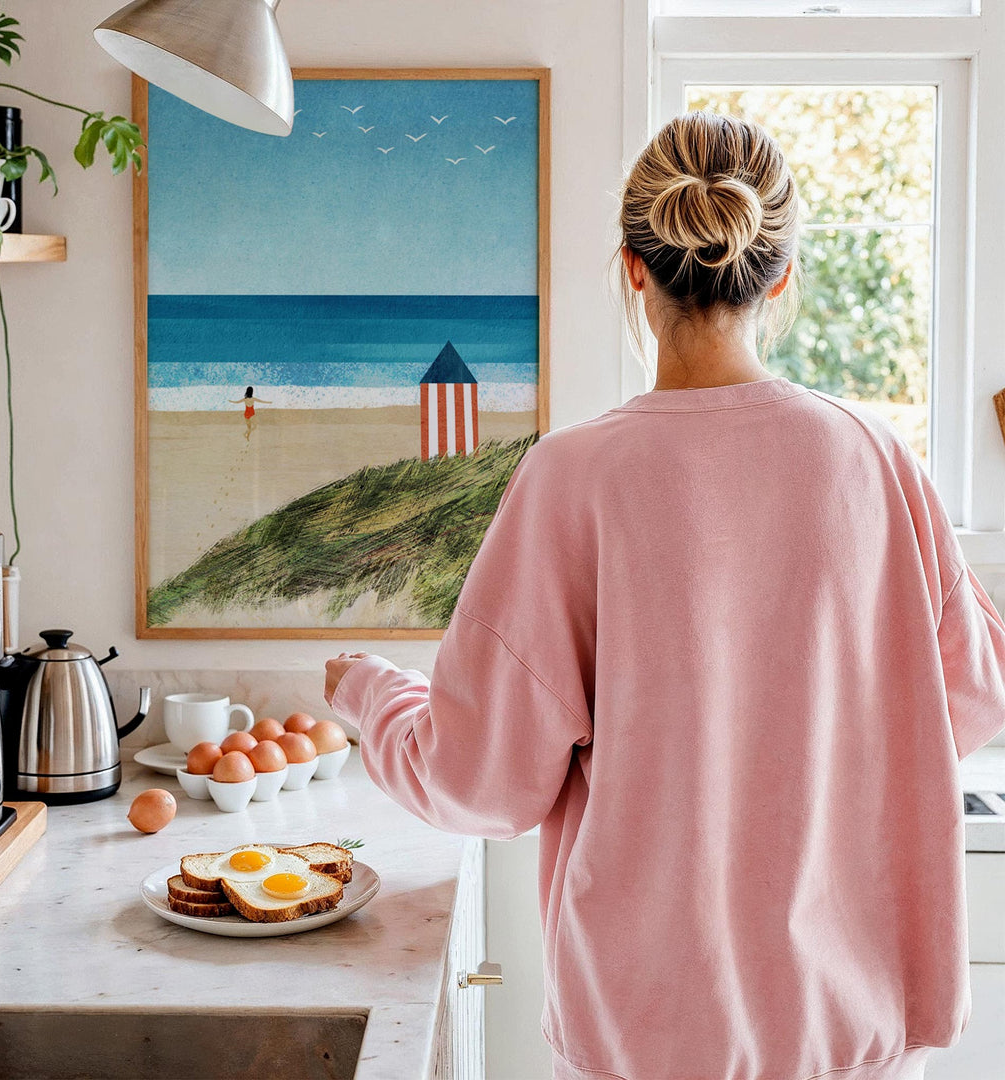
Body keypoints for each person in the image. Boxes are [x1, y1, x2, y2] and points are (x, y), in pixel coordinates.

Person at [323, 111, 1005, 1080]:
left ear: (633, 269)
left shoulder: (573, 479)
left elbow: (482, 779)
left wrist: (368, 695)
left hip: (647, 1050)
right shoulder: (878, 463)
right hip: (857, 1051)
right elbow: (968, 701)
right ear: (780, 278)